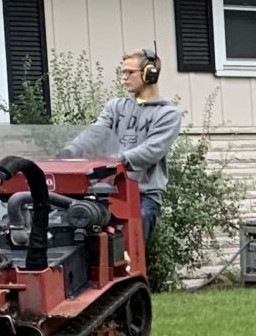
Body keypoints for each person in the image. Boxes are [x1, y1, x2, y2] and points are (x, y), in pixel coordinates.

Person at [61, 47, 183, 250]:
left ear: (149, 74)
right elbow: (94, 133)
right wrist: (69, 152)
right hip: (108, 193)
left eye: (130, 72)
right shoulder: (115, 107)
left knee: (130, 258)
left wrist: (115, 161)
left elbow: (151, 151)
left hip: (142, 197)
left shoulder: (168, 115)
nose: (124, 78)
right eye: (122, 72)